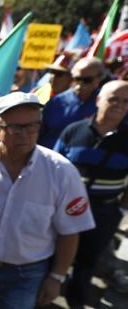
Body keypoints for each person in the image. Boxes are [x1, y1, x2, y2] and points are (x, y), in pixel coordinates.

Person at [0, 92, 95, 309]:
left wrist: (56, 278)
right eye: (16, 127)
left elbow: (70, 231)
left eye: (32, 126)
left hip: (26, 276)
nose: (25, 134)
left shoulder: (61, 172)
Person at [54, 80, 128, 308]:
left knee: (87, 264)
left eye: (126, 102)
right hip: (62, 210)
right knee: (52, 259)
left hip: (103, 212)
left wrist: (120, 210)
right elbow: (53, 169)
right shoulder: (73, 131)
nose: (119, 105)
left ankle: (75, 301)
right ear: (98, 100)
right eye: (113, 98)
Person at [38, 57, 104, 148]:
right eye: (77, 79)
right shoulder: (56, 102)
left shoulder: (107, 103)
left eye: (87, 80)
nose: (80, 84)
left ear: (99, 79)